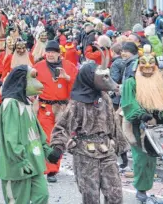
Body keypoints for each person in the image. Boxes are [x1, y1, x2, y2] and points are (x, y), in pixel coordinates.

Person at [50, 60, 126, 204]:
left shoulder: (105, 98)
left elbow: (113, 123)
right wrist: (57, 147)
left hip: (106, 150)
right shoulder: (77, 103)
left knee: (115, 194)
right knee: (90, 197)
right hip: (85, 154)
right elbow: (63, 126)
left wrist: (121, 147)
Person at [0, 65, 56, 204]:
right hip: (17, 166)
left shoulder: (27, 103)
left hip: (34, 164)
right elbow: (10, 138)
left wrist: (48, 151)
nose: (38, 83)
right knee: (19, 200)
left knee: (42, 196)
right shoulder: (11, 104)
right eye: (33, 78)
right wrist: (21, 160)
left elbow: (36, 133)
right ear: (22, 80)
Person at [121, 45, 163, 202]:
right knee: (142, 158)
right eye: (144, 62)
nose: (148, 66)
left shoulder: (158, 82)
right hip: (137, 125)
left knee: (156, 157)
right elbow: (129, 103)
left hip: (156, 126)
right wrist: (142, 115)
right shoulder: (131, 82)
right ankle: (141, 189)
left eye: (152, 63)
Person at [33, 40, 77, 182]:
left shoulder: (69, 67)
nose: (50, 54)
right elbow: (29, 84)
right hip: (45, 108)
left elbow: (79, 86)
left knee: (59, 138)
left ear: (59, 53)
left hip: (63, 109)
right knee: (47, 137)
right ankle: (50, 168)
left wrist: (68, 78)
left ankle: (53, 166)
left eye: (53, 52)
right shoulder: (38, 67)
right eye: (48, 52)